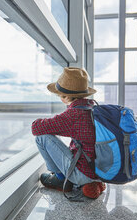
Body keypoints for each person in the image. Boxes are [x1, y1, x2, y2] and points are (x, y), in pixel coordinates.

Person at [31, 67, 105, 199]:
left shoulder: (74, 115)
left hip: (83, 172)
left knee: (41, 137)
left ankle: (60, 179)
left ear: (65, 97)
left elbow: (36, 128)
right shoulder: (93, 107)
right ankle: (93, 183)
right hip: (100, 170)